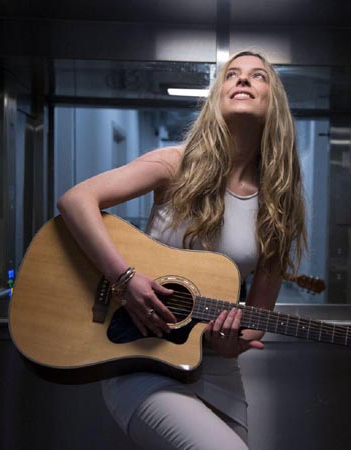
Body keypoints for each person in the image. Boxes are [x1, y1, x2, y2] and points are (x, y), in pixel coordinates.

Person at [57, 50, 306, 450]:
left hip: (216, 368)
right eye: (232, 74)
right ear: (217, 95)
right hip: (141, 354)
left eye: (258, 76)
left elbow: (258, 317)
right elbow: (76, 200)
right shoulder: (175, 164)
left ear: (274, 102)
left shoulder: (279, 204)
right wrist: (125, 278)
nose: (243, 80)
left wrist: (233, 340)